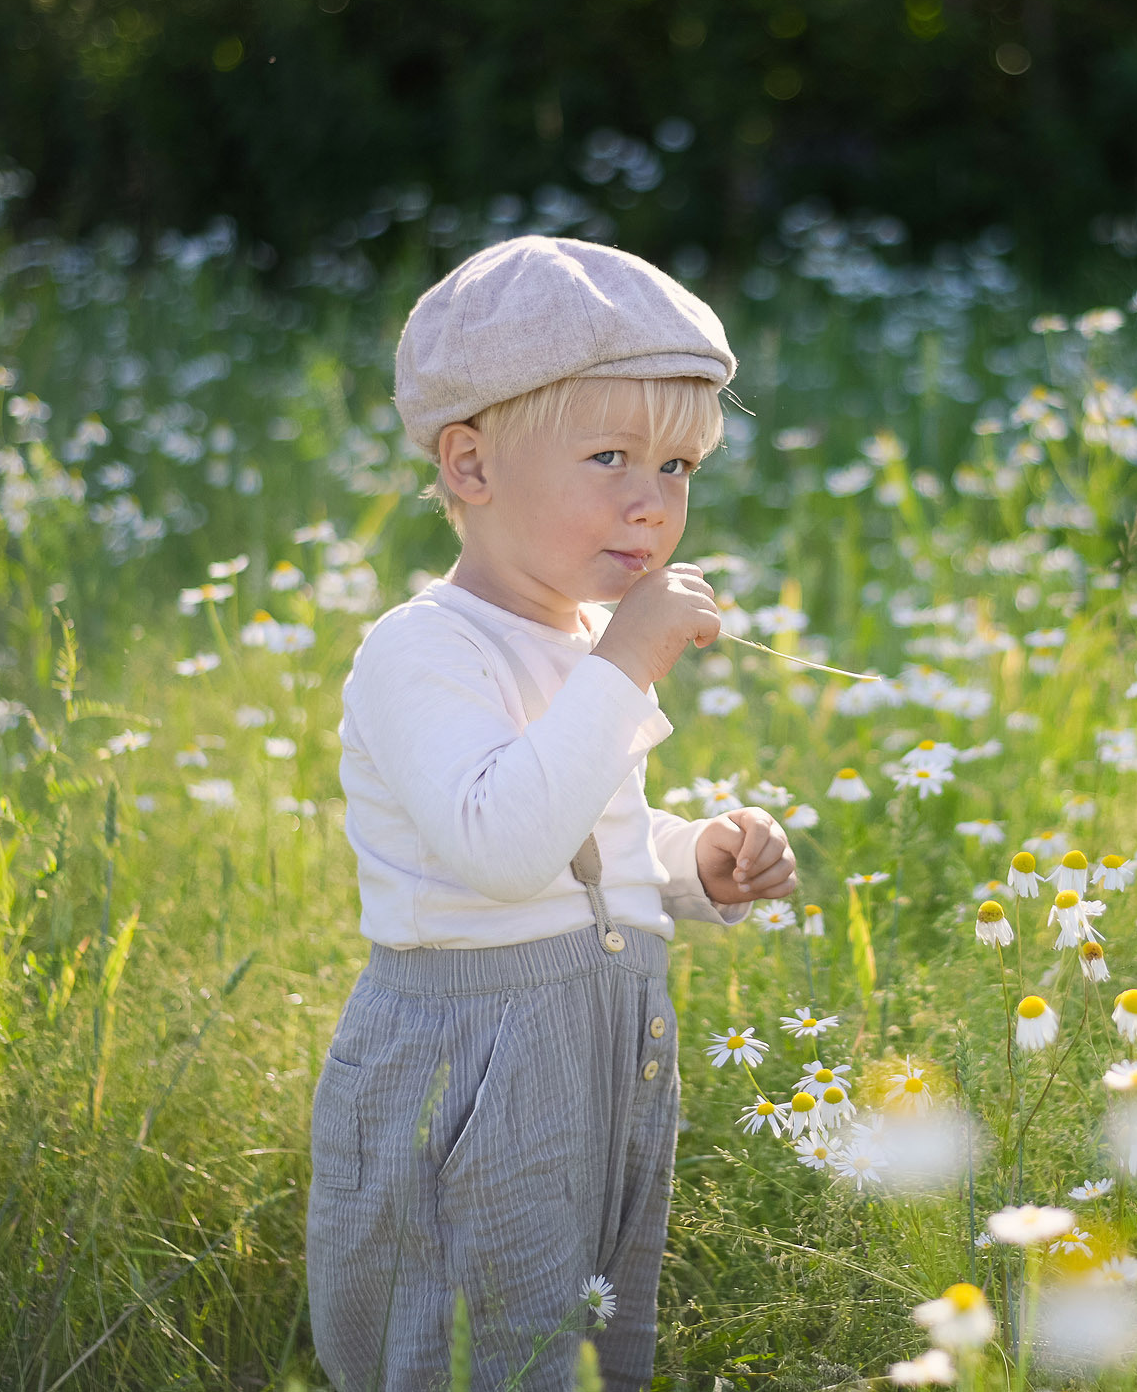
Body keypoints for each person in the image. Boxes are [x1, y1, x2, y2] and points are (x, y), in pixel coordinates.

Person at [307, 235, 799, 1392]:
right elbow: (501, 847)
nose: (652, 501)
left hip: (603, 1028)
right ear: (470, 467)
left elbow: (588, 840)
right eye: (611, 456)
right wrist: (627, 664)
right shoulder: (422, 651)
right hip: (478, 1057)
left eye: (679, 468)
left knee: (581, 1322)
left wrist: (689, 861)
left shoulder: (575, 638)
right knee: (470, 1332)